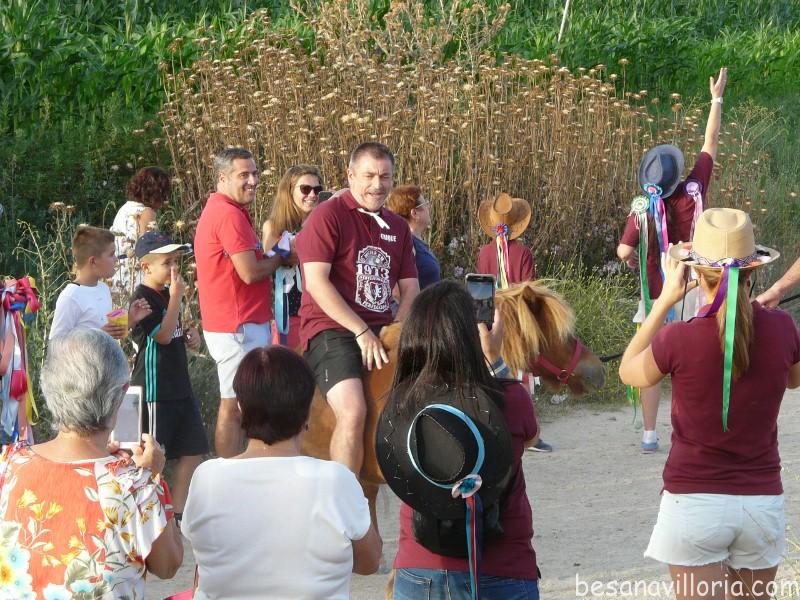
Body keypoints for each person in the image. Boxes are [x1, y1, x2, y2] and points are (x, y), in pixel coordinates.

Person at [619, 208, 800, 599]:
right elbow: (794, 380)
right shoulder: (784, 328)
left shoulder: (678, 338)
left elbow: (628, 371)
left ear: (696, 274)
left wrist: (664, 302)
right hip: (760, 501)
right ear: (753, 272)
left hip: (694, 501)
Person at [376, 280, 540, 599]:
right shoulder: (510, 399)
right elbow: (531, 438)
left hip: (419, 568)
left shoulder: (400, 405)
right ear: (471, 337)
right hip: (502, 568)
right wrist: (495, 359)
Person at [182, 346, 382, 599]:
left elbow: (204, 560)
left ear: (240, 407)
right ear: (308, 409)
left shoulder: (207, 477)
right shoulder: (336, 480)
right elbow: (369, 562)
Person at [0, 329, 183, 598]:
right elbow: (168, 565)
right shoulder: (133, 485)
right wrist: (154, 478)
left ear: (48, 387)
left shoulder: (8, 465)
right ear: (121, 395)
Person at [617, 67, 728, 453]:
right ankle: (695, 429)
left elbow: (624, 251)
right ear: (677, 175)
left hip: (655, 294)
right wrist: (716, 98)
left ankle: (649, 434)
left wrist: (634, 260)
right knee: (695, 359)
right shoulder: (694, 190)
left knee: (650, 362)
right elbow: (710, 141)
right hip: (695, 288)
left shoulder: (641, 209)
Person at [295, 141, 419, 473]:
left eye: (385, 177)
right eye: (369, 176)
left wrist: (395, 331)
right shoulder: (328, 216)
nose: (377, 185)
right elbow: (316, 282)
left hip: (383, 329)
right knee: (352, 411)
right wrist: (361, 331)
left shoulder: (397, 227)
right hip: (332, 330)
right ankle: (344, 494)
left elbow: (411, 289)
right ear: (350, 175)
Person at [194, 147, 282, 457]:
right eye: (244, 175)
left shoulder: (227, 210)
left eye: (255, 174)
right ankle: (226, 472)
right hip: (237, 326)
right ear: (222, 178)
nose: (253, 181)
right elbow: (250, 272)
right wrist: (282, 257)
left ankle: (237, 467)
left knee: (244, 403)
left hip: (238, 323)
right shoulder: (228, 214)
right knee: (233, 405)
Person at [129, 231, 209, 526]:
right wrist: (176, 296)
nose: (174, 269)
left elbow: (174, 330)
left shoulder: (167, 293)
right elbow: (161, 336)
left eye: (176, 261)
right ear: (146, 267)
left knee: (193, 449)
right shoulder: (142, 298)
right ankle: (147, 515)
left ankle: (174, 514)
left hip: (180, 387)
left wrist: (190, 335)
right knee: (152, 457)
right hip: (155, 390)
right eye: (167, 263)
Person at [475, 192, 552, 452]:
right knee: (522, 372)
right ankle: (530, 432)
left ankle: (496, 427)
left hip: (490, 320)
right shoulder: (523, 252)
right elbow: (529, 290)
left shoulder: (484, 253)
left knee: (494, 372)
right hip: (518, 321)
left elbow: (481, 291)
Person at [49, 225, 151, 340]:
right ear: (93, 261)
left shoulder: (103, 288)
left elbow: (107, 333)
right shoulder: (70, 297)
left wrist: (131, 318)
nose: (116, 259)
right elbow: (55, 343)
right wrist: (97, 335)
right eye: (111, 254)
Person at [262, 164, 324, 348]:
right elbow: (274, 261)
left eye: (317, 190)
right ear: (289, 191)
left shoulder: (325, 225)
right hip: (289, 315)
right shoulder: (274, 227)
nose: (312, 195)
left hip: (321, 313)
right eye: (305, 189)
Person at [111, 166, 172, 296]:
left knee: (121, 308)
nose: (165, 199)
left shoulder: (124, 209)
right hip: (136, 273)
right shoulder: (146, 212)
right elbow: (150, 249)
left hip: (118, 272)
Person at [386, 185, 441, 289]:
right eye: (426, 204)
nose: (429, 207)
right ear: (414, 213)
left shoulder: (415, 241)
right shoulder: (408, 244)